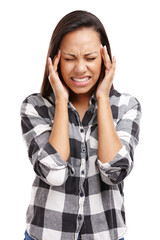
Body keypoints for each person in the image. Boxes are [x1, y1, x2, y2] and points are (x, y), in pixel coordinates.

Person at [21, 10, 141, 240]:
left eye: (90, 58)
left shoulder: (127, 106)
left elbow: (115, 173)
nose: (80, 69)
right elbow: (53, 173)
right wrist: (62, 101)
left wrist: (103, 98)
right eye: (69, 59)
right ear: (55, 60)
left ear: (104, 58)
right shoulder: (34, 107)